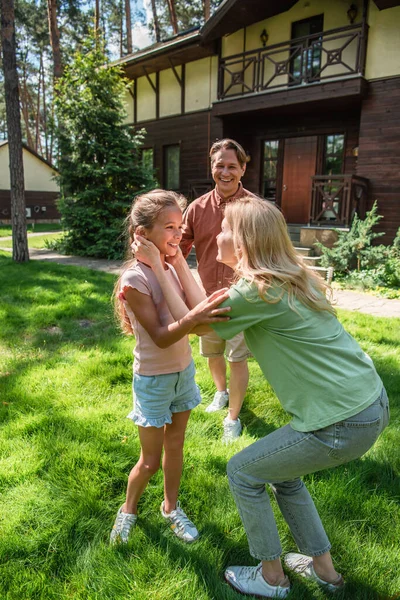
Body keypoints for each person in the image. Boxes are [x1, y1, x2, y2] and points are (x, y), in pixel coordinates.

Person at [134, 196, 389, 598]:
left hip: (341, 421)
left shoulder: (258, 291)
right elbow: (205, 309)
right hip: (369, 404)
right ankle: (325, 572)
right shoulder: (289, 276)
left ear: (245, 242)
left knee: (243, 472)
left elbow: (197, 324)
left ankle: (271, 577)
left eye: (225, 229)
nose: (215, 234)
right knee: (283, 475)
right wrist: (179, 263)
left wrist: (164, 265)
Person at [110, 189, 229, 546]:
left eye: (180, 226)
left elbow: (203, 316)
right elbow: (163, 337)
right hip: (153, 380)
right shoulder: (135, 280)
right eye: (170, 227)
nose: (178, 235)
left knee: (175, 447)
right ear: (143, 234)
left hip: (183, 374)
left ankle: (170, 507)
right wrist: (195, 313)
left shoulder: (172, 266)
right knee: (149, 460)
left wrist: (177, 263)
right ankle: (128, 511)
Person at [181, 138, 253, 442]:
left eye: (232, 166)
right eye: (219, 165)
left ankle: (233, 418)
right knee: (212, 352)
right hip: (208, 297)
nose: (225, 172)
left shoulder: (253, 208)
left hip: (243, 297)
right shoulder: (196, 209)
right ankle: (221, 393)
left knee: (238, 357)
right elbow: (178, 247)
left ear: (243, 169)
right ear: (212, 167)